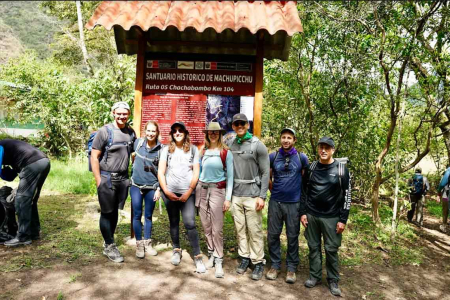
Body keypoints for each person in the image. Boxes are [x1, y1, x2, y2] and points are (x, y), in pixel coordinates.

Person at [300, 136, 351, 297]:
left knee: (331, 249)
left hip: (332, 217)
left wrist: (343, 219)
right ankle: (314, 276)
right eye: (321, 147)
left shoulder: (341, 169)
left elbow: (347, 195)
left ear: (333, 150)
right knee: (313, 247)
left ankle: (333, 279)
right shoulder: (312, 167)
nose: (323, 150)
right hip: (312, 215)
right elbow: (304, 191)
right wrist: (303, 212)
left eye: (327, 148)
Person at [157, 121, 205, 273]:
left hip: (187, 192)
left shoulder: (193, 150)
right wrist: (166, 190)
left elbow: (196, 171)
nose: (177, 133)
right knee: (174, 221)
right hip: (170, 192)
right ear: (171, 134)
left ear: (185, 133)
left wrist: (189, 191)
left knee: (190, 222)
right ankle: (176, 249)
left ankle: (197, 256)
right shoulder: (166, 150)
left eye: (180, 131)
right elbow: (160, 171)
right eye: (174, 131)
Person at [91, 101, 135, 263]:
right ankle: (109, 245)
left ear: (128, 114)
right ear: (113, 113)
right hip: (107, 177)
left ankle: (108, 239)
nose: (122, 116)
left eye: (125, 113)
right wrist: (98, 180)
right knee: (107, 212)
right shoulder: (104, 132)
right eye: (119, 113)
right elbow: (94, 156)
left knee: (115, 211)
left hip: (123, 178)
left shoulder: (130, 132)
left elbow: (133, 153)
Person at [228, 113, 270, 280]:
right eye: (236, 123)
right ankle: (244, 257)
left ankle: (258, 262)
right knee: (240, 229)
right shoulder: (231, 144)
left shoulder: (257, 145)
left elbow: (266, 172)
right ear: (233, 126)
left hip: (253, 195)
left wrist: (262, 196)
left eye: (242, 123)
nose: (239, 126)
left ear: (247, 125)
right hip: (236, 195)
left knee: (255, 230)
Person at [266, 128, 309, 284]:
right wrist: (274, 190)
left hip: (294, 203)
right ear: (280, 139)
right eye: (283, 137)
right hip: (275, 202)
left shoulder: (301, 157)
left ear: (294, 140)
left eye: (289, 138)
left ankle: (291, 267)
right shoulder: (273, 156)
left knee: (292, 236)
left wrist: (301, 202)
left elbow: (305, 182)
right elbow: (268, 176)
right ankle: (275, 265)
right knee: (273, 234)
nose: (286, 140)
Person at [196, 122, 234, 278]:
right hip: (202, 189)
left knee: (217, 228)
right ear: (207, 133)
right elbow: (197, 171)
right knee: (206, 226)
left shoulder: (226, 152)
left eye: (216, 132)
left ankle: (219, 259)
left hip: (218, 191)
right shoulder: (202, 151)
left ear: (219, 134)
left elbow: (231, 176)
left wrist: (228, 198)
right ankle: (211, 253)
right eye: (210, 132)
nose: (213, 134)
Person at [0, 139, 50, 246]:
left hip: (33, 164)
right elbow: (11, 176)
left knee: (21, 199)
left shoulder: (0, 146)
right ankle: (33, 232)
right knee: (30, 200)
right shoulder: (11, 148)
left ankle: (23, 237)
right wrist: (4, 173)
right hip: (43, 162)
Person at [130, 121, 162, 258]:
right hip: (136, 186)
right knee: (137, 215)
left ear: (157, 132)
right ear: (145, 131)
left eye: (153, 131)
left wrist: (159, 188)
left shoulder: (161, 149)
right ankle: (139, 244)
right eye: (148, 131)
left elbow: (163, 170)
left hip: (152, 188)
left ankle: (148, 243)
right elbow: (131, 156)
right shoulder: (138, 143)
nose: (150, 134)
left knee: (148, 215)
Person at [438, 165, 450, 233]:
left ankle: (444, 226)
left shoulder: (448, 170)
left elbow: (442, 184)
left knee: (445, 210)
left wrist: (439, 192)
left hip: (447, 194)